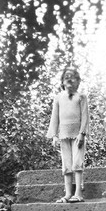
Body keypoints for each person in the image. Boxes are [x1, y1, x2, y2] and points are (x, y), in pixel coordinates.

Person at [47, 65, 89, 202]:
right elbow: (55, 117)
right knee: (67, 164)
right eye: (67, 77)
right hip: (63, 135)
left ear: (78, 81)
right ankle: (68, 194)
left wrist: (82, 133)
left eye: (73, 78)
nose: (70, 80)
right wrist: (54, 135)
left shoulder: (81, 97)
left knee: (77, 162)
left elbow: (85, 117)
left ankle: (78, 193)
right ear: (62, 81)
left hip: (77, 135)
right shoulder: (58, 98)